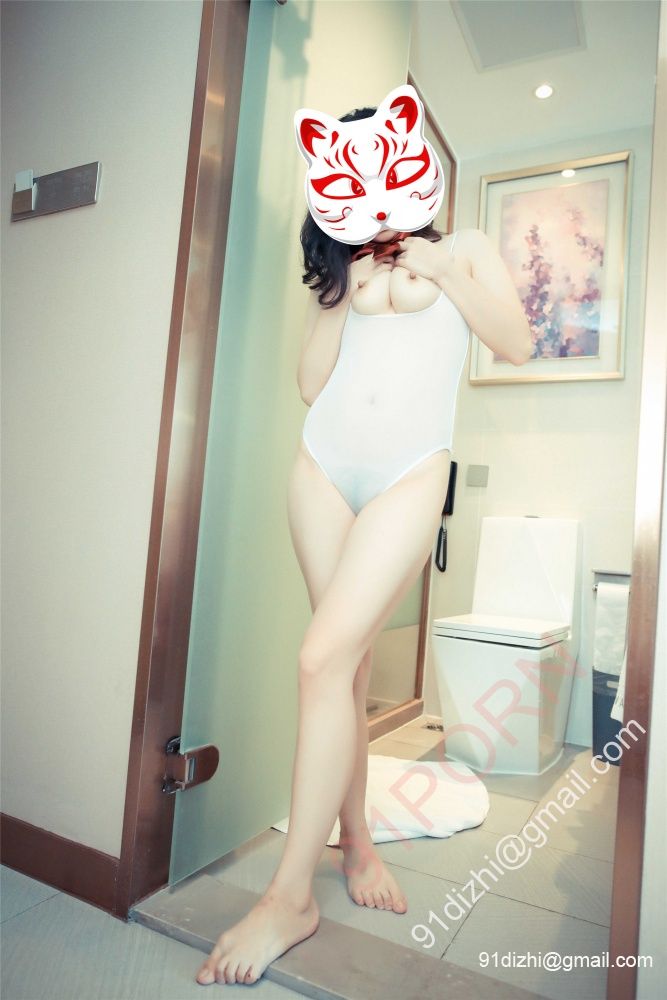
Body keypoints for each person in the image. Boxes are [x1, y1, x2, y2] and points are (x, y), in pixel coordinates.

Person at [196, 106, 532, 988]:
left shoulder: (464, 246)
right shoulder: (343, 264)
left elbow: (516, 343)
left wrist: (439, 268)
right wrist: (342, 284)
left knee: (318, 659)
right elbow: (312, 384)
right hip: (320, 467)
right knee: (338, 669)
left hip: (409, 474)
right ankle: (356, 840)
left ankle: (287, 897)